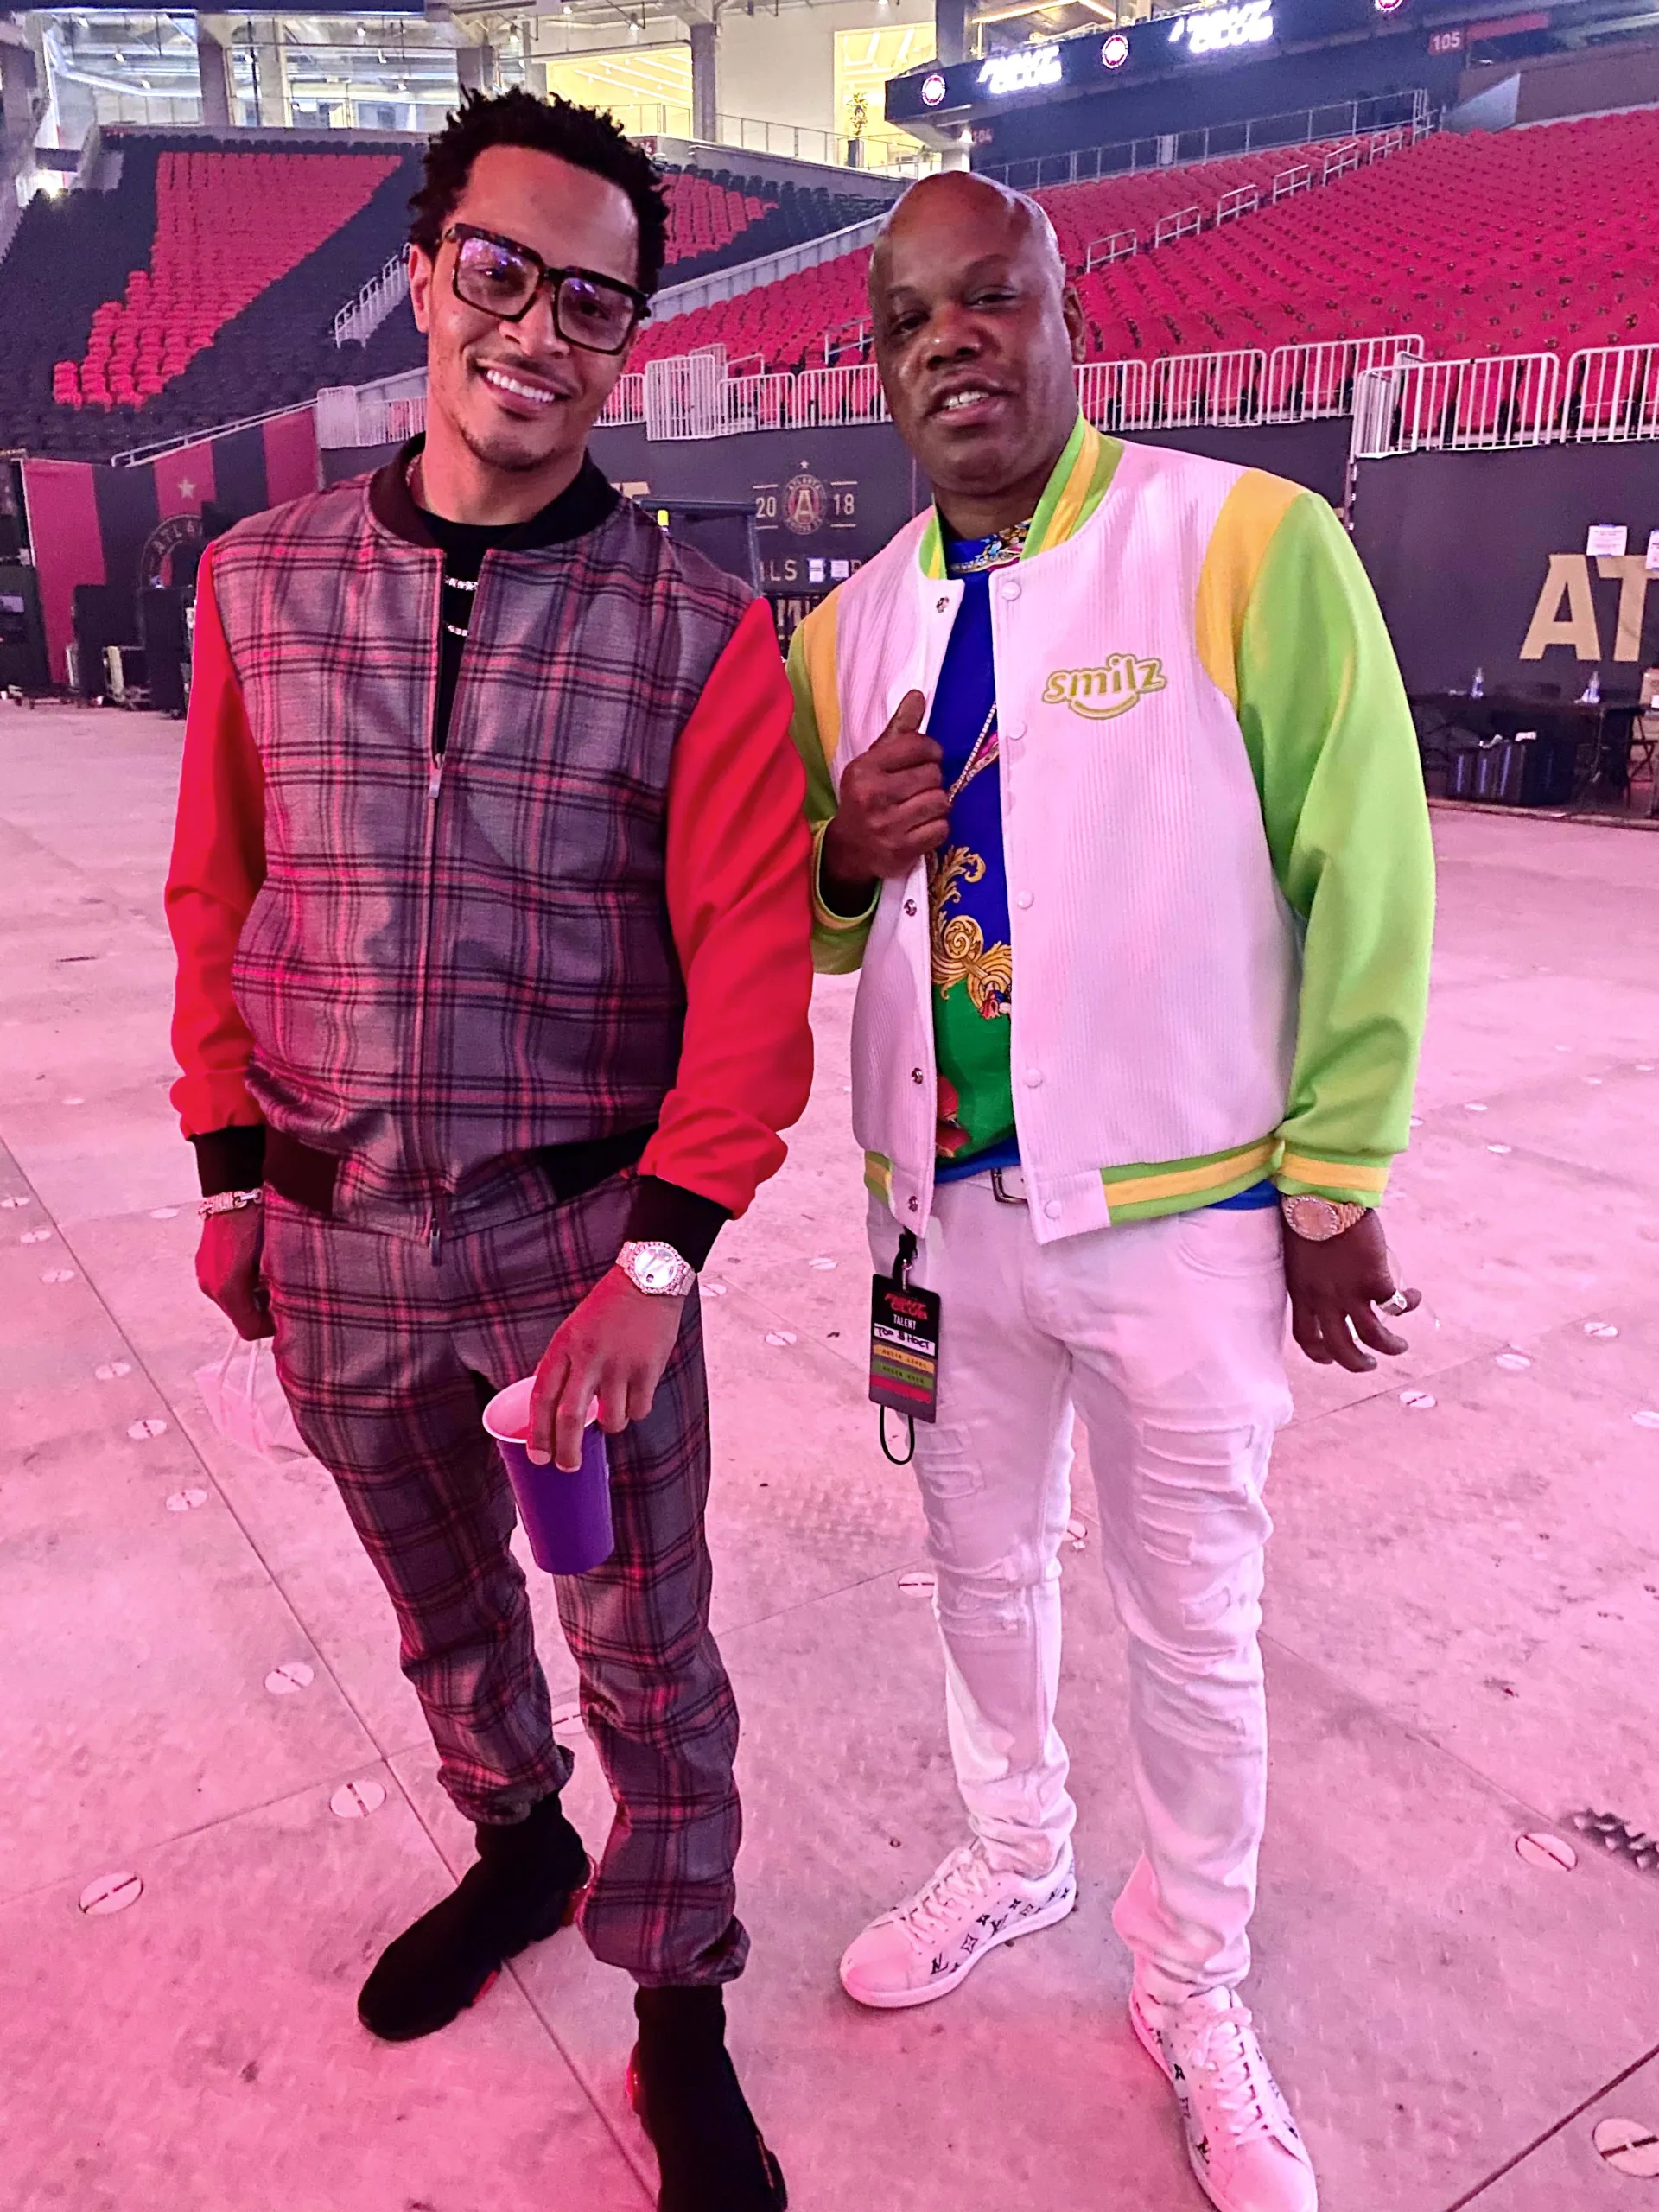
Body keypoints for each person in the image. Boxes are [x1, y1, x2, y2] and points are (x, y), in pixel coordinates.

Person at [167, 88, 809, 2212]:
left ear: (629, 337)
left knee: (646, 1641)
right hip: (334, 1237)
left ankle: (679, 1992)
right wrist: (230, 1167)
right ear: (425, 277)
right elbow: (218, 889)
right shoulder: (256, 583)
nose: (539, 329)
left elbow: (750, 972)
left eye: (592, 302)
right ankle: (516, 1839)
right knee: (440, 1602)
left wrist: (661, 1261)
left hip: (575, 1258)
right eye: (501, 272)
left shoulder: (699, 627)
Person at [786, 171, 1433, 2212]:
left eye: (991, 299)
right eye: (911, 320)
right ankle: (1016, 1851)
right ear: (879, 366)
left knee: (1197, 1623)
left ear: (1068, 319)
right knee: (978, 1571)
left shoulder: (1244, 542)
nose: (952, 343)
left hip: (1187, 1211)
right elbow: (806, 920)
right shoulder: (845, 627)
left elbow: (1368, 864)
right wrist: (839, 853)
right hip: (940, 1215)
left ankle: (1194, 1978)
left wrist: (1334, 1175)